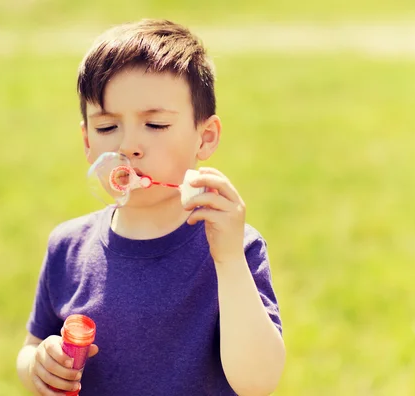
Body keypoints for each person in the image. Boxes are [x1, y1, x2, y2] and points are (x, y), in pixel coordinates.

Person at [16, 18, 285, 396]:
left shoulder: (234, 248)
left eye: (155, 124)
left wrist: (228, 261)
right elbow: (32, 345)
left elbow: (258, 383)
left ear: (204, 138)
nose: (128, 146)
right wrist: (38, 365)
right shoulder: (68, 247)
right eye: (108, 128)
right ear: (87, 142)